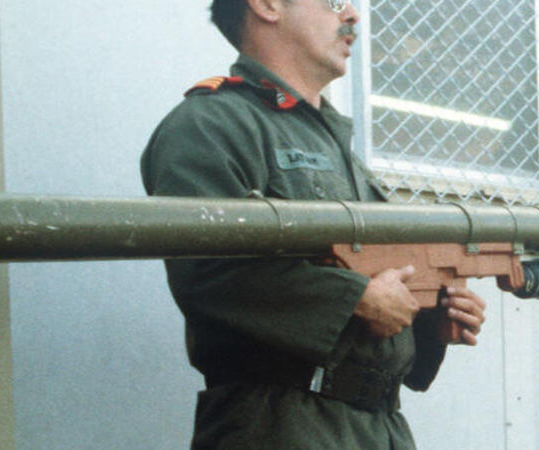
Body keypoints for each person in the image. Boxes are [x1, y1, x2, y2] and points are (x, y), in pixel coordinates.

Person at [140, 1, 486, 448]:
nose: (353, 14)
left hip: (378, 425)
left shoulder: (336, 145)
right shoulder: (212, 124)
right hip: (282, 424)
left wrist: (427, 318)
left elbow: (371, 284)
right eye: (334, 1)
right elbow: (206, 271)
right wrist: (357, 300)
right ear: (267, 6)